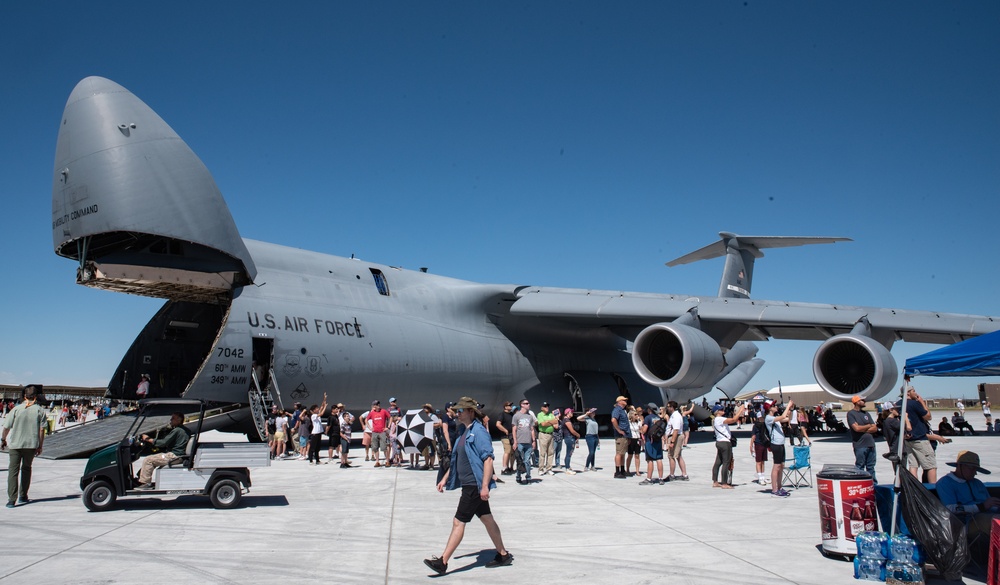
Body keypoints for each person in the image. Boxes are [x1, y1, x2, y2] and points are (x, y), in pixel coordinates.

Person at [424, 396, 512, 575]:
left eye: (460, 410)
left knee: (458, 522)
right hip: (468, 484)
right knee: (487, 519)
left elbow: (488, 459)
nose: (457, 413)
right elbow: (458, 459)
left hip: (474, 485)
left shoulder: (479, 432)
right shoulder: (464, 431)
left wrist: (484, 486)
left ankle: (442, 562)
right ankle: (503, 554)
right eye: (456, 410)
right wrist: (445, 478)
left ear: (471, 412)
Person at [935, 451, 1000, 562]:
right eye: (972, 469)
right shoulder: (945, 483)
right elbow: (950, 508)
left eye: (976, 469)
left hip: (987, 516)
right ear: (960, 466)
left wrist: (995, 505)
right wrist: (981, 507)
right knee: (995, 521)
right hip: (965, 523)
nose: (975, 473)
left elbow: (989, 506)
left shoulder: (977, 483)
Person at [2, 385, 47, 507]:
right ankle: (23, 495)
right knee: (26, 469)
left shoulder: (16, 409)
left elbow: (6, 427)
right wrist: (40, 446)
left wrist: (3, 440)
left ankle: (12, 499)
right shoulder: (40, 411)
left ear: (24, 396)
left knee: (13, 471)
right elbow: (42, 430)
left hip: (15, 445)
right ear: (36, 396)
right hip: (30, 445)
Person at [136, 412, 190, 489]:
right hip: (179, 455)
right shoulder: (185, 430)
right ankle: (140, 478)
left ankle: (146, 483)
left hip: (174, 456)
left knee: (148, 460)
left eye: (173, 418)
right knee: (153, 458)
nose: (170, 420)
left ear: (179, 420)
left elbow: (163, 443)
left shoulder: (177, 430)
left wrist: (148, 439)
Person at [902, 379, 937, 483]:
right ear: (908, 393)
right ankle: (933, 488)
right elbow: (928, 417)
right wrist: (922, 402)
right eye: (913, 391)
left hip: (908, 439)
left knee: (913, 465)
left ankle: (915, 486)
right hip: (920, 438)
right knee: (931, 466)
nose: (916, 393)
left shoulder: (900, 404)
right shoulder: (914, 403)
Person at [764, 400, 795, 497]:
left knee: (781, 465)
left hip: (781, 444)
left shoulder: (774, 418)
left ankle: (780, 487)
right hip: (776, 444)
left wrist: (790, 410)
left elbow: (786, 418)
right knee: (776, 466)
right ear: (769, 408)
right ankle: (774, 489)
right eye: (773, 406)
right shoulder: (769, 418)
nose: (776, 407)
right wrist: (787, 406)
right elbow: (782, 417)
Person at [846, 395, 878, 484]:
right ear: (857, 402)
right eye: (862, 400)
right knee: (860, 466)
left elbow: (875, 428)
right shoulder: (851, 414)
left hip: (870, 444)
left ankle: (873, 485)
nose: (864, 402)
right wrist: (868, 426)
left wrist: (863, 428)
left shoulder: (866, 413)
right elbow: (856, 428)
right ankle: (860, 484)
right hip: (860, 445)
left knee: (871, 467)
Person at [712, 402, 745, 489]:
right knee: (726, 462)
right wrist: (740, 410)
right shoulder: (720, 419)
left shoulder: (716, 420)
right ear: (717, 412)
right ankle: (724, 483)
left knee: (718, 462)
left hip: (719, 442)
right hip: (725, 443)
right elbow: (734, 420)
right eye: (721, 409)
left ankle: (715, 481)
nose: (723, 410)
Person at [511, 399, 536, 484]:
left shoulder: (530, 416)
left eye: (528, 403)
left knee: (527, 461)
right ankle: (518, 476)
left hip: (528, 442)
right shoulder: (516, 416)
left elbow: (532, 429)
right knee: (520, 461)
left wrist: (533, 441)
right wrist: (515, 442)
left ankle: (528, 476)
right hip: (520, 442)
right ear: (522, 405)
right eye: (526, 403)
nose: (528, 404)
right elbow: (514, 429)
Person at [639, 404, 665, 485]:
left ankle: (649, 479)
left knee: (650, 460)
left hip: (649, 441)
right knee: (659, 459)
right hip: (658, 440)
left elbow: (644, 430)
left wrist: (640, 429)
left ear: (649, 409)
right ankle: (661, 479)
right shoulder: (659, 418)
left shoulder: (648, 418)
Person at [664, 401, 689, 481]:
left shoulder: (676, 416)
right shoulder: (673, 415)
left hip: (676, 437)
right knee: (678, 456)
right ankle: (684, 474)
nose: (667, 408)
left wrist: (672, 442)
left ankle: (672, 474)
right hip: (674, 436)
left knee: (671, 456)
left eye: (668, 406)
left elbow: (676, 430)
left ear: (672, 407)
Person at [611, 396, 632, 479]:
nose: (626, 401)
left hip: (625, 435)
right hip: (620, 435)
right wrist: (619, 430)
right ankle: (617, 472)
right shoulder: (617, 410)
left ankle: (622, 470)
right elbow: (613, 420)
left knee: (623, 453)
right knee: (619, 453)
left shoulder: (623, 410)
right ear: (619, 402)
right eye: (624, 400)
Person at [366, 400, 391, 467]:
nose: (377, 406)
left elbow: (390, 417)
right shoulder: (372, 413)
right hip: (375, 432)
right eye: (376, 405)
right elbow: (366, 420)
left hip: (382, 432)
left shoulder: (383, 411)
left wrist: (388, 427)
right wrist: (370, 428)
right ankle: (377, 461)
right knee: (375, 447)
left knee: (384, 447)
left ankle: (387, 461)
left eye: (378, 404)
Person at [535, 402, 557, 476]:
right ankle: (541, 469)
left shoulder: (551, 414)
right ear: (542, 408)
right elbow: (543, 424)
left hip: (551, 434)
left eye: (547, 406)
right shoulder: (540, 415)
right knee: (543, 453)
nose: (547, 407)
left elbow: (556, 422)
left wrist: (548, 422)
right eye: (545, 406)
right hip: (543, 434)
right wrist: (551, 422)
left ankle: (549, 468)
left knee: (550, 452)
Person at [495, 401, 515, 475]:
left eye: (511, 405)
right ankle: (504, 468)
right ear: (505, 407)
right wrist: (505, 430)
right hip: (505, 436)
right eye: (509, 405)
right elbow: (498, 424)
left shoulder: (512, 414)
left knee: (513, 451)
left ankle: (511, 467)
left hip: (512, 436)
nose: (511, 406)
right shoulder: (502, 414)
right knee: (507, 451)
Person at [561, 408, 580, 473]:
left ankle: (568, 466)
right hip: (569, 438)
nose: (572, 413)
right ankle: (567, 468)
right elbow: (572, 430)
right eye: (571, 412)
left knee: (569, 453)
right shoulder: (567, 420)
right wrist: (578, 435)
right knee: (569, 453)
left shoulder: (567, 420)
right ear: (567, 413)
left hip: (569, 437)